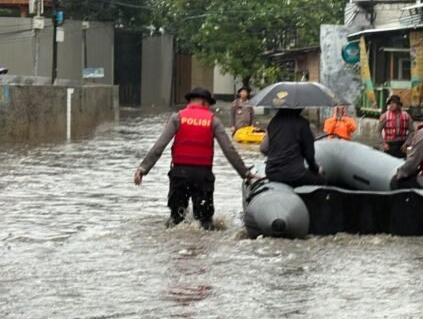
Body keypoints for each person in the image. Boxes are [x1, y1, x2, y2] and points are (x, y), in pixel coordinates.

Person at [133, 87, 259, 230]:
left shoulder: (177, 118)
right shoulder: (213, 121)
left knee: (176, 220)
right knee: (205, 223)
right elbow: (229, 151)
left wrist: (142, 169)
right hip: (203, 176)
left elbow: (159, 146)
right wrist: (246, 174)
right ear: (205, 103)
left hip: (179, 174)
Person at [260, 108, 326, 187]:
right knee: (321, 180)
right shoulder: (302, 123)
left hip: (271, 173)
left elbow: (264, 148)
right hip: (294, 175)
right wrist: (316, 169)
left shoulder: (273, 122)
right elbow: (309, 155)